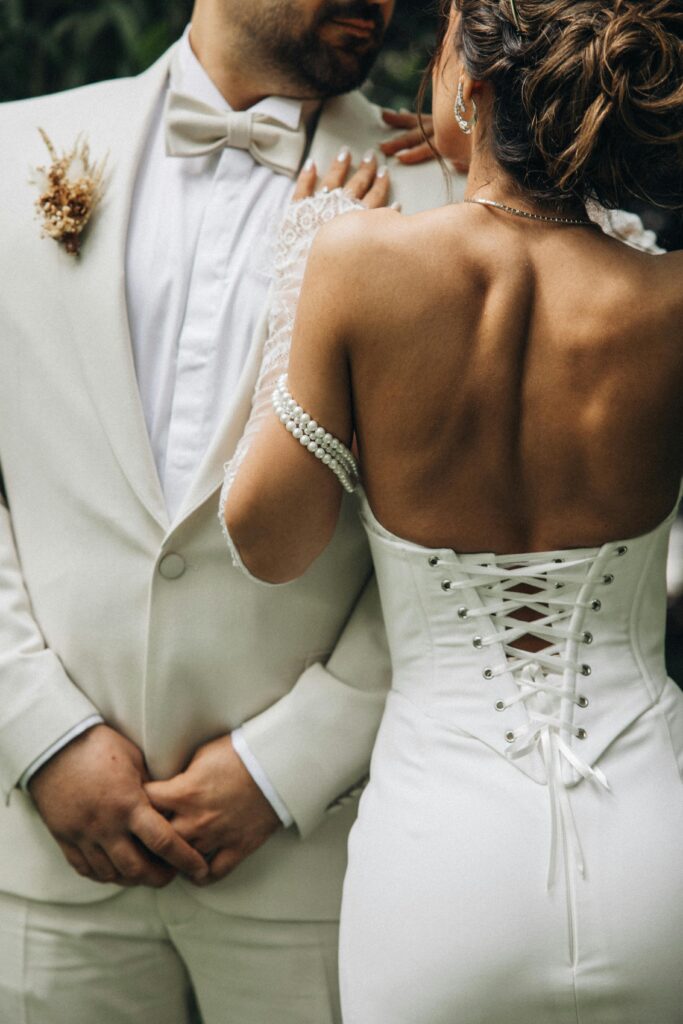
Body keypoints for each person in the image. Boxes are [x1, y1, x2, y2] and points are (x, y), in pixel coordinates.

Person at [223, 0, 683, 1020]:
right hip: (659, 849)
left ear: (469, 85)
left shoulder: (359, 265)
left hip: (441, 868)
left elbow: (267, 540)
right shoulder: (666, 300)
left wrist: (301, 267)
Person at [0, 2, 457, 1021]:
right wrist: (36, 728)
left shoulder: (446, 198)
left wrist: (288, 763)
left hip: (314, 862)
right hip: (42, 858)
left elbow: (462, 542)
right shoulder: (11, 153)